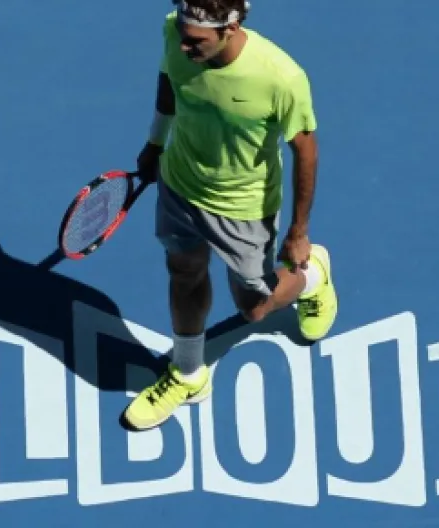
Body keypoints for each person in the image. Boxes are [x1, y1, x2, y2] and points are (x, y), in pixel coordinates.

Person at [122, 0, 338, 431]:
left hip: (244, 210)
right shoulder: (175, 33)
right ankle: (187, 374)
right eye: (183, 37)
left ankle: (313, 276)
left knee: (253, 307)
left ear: (231, 28)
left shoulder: (280, 77)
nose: (185, 47)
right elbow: (169, 81)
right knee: (184, 272)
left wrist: (299, 231)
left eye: (196, 42)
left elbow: (306, 151)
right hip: (180, 185)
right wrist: (155, 143)